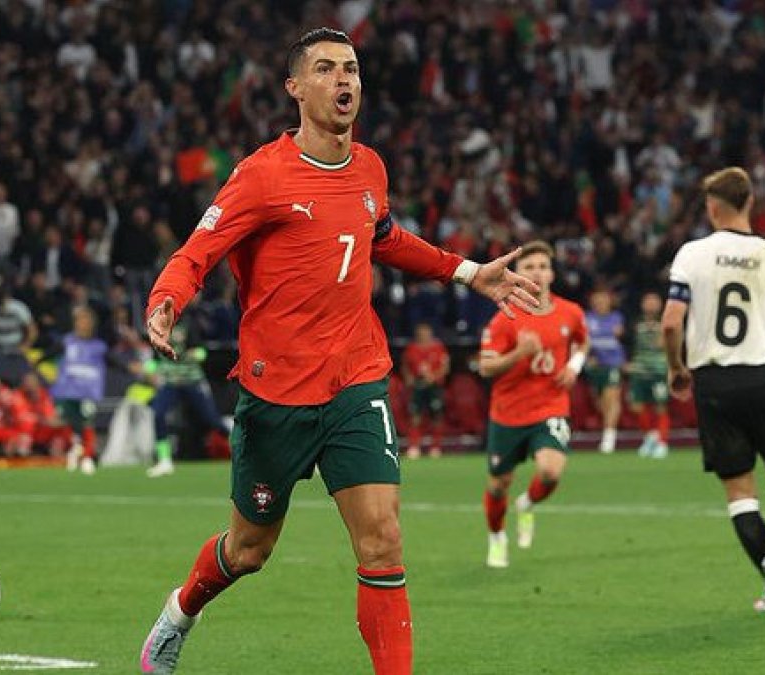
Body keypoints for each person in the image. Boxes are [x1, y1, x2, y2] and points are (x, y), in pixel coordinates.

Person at [139, 28, 538, 675]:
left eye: (350, 68)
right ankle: (182, 609)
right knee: (249, 549)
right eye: (325, 69)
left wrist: (467, 272)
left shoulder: (369, 167)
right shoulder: (262, 176)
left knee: (382, 539)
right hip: (276, 393)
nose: (343, 80)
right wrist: (167, 298)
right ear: (295, 88)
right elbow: (198, 250)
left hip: (356, 378)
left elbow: (383, 236)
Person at [662, 167, 765, 615]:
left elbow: (670, 322)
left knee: (739, 491)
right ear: (750, 203)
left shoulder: (692, 253)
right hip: (764, 377)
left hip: (714, 384)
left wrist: (677, 369)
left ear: (712, 207)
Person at [477, 240, 589, 568]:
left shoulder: (571, 312)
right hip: (508, 413)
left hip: (551, 405)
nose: (537, 273)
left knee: (551, 471)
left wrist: (574, 366)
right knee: (498, 486)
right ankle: (497, 536)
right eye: (529, 268)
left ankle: (527, 503)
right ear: (516, 275)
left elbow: (583, 342)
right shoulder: (505, 319)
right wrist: (519, 354)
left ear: (552, 272)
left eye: (542, 266)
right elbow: (486, 367)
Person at [145, 321, 229, 477]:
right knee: (158, 414)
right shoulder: (157, 328)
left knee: (212, 420)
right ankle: (164, 460)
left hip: (192, 381)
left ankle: (240, 449)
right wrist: (148, 369)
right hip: (170, 383)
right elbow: (153, 360)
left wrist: (194, 354)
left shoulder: (190, 326)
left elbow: (202, 353)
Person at [48, 306, 108, 475]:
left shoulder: (98, 346)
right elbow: (48, 355)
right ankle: (76, 449)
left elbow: (112, 360)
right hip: (67, 391)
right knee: (71, 423)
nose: (83, 324)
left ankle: (88, 457)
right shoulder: (66, 342)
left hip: (88, 391)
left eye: (86, 320)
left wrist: (130, 368)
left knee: (87, 421)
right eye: (80, 320)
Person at [627, 291, 671, 458]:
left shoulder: (666, 322)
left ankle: (662, 443)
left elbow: (676, 343)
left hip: (659, 370)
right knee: (636, 406)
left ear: (660, 304)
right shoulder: (635, 323)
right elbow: (628, 343)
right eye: (648, 301)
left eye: (654, 301)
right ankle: (651, 437)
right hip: (639, 370)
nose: (651, 304)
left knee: (660, 406)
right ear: (642, 304)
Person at [584, 287, 625, 454]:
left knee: (612, 399)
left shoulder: (616, 318)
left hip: (612, 364)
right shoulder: (587, 319)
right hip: (595, 367)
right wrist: (588, 357)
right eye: (597, 300)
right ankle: (608, 430)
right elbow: (582, 341)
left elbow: (621, 337)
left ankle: (609, 438)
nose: (600, 303)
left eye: (603, 299)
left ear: (609, 301)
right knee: (600, 402)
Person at [400, 322, 450, 459]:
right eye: (421, 333)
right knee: (415, 416)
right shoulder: (411, 348)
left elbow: (445, 366)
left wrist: (434, 377)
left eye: (426, 332)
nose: (424, 335)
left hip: (434, 386)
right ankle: (414, 446)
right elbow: (405, 366)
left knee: (436, 416)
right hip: (417, 386)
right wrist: (409, 378)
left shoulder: (438, 347)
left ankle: (436, 447)